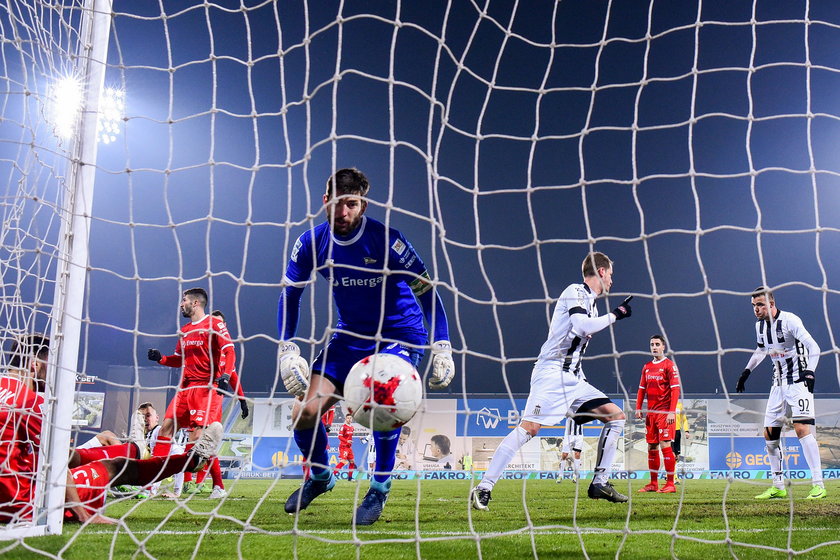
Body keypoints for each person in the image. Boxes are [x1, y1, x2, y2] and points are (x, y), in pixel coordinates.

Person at [277, 167, 455, 525]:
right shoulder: (311, 242)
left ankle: (379, 488)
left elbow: (426, 291)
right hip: (351, 336)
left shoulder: (388, 240)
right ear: (325, 200)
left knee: (383, 407)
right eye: (337, 203)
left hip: (400, 335)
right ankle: (320, 477)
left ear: (364, 205)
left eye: (352, 205)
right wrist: (286, 348)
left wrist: (443, 344)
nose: (343, 213)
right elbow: (290, 294)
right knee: (304, 413)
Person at [0, 332, 223, 524]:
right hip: (22, 502)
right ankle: (191, 461)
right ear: (34, 364)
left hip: (12, 487)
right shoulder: (33, 403)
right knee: (115, 467)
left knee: (77, 453)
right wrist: (82, 513)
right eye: (51, 364)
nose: (53, 373)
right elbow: (56, 465)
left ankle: (146, 454)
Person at [471, 251, 633, 510]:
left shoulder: (591, 303)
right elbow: (582, 327)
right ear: (601, 272)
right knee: (529, 430)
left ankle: (599, 483)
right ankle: (484, 487)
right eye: (611, 275)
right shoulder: (575, 291)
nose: (612, 281)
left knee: (616, 417)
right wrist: (616, 314)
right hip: (551, 374)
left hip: (573, 378)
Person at [735, 286, 826, 500]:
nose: (756, 309)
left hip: (798, 383)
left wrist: (810, 372)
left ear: (771, 304)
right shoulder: (759, 327)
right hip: (777, 385)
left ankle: (818, 485)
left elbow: (815, 348)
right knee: (769, 435)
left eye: (759, 305)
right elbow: (761, 350)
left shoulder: (790, 321)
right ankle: (778, 486)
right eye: (753, 305)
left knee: (801, 428)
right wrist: (747, 371)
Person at [147, 288, 234, 482]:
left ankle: (191, 482)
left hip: (205, 389)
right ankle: (151, 480)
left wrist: (226, 375)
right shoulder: (185, 330)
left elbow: (230, 351)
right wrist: (161, 359)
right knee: (165, 429)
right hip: (184, 389)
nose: (181, 304)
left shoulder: (215, 324)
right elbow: (178, 359)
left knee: (197, 437)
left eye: (184, 300)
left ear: (195, 303)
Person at [635, 334, 681, 494]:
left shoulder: (669, 365)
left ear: (663, 346)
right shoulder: (646, 366)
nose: (654, 347)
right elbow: (642, 389)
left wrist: (671, 411)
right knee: (651, 445)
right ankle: (653, 483)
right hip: (651, 413)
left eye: (657, 344)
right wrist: (638, 407)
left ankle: (670, 484)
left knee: (665, 445)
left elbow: (676, 389)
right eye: (652, 344)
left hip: (664, 413)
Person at [556, 418, 583, 483]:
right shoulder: (569, 409)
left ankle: (575, 476)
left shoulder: (583, 409)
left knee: (577, 454)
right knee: (564, 455)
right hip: (568, 435)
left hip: (579, 435)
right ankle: (560, 475)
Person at [332, 414, 356, 481]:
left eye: (350, 418)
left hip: (349, 447)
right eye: (348, 418)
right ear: (345, 419)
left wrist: (350, 442)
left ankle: (350, 478)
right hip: (343, 446)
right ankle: (333, 476)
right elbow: (339, 436)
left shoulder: (352, 427)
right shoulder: (343, 427)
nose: (349, 419)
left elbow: (350, 437)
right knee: (343, 461)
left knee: (352, 462)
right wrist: (346, 441)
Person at [673, 401, 689, 484]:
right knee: (671, 456)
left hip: (677, 432)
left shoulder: (679, 405)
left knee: (676, 456)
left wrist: (686, 431)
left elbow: (684, 419)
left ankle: (667, 475)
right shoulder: (665, 403)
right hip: (668, 432)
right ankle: (674, 478)